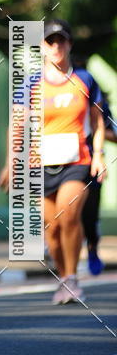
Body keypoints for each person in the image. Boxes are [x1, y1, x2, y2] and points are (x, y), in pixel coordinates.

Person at [0, 19, 106, 304]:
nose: (56, 46)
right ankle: (63, 276)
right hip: (39, 164)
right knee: (52, 228)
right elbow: (18, 124)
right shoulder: (31, 83)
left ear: (69, 44)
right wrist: (12, 162)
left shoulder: (85, 79)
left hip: (77, 161)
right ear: (42, 48)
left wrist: (98, 155)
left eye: (61, 40)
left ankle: (72, 279)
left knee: (68, 215)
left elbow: (97, 120)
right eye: (50, 41)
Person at [81, 89, 116, 275]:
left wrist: (96, 134)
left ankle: (92, 250)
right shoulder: (46, 94)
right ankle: (58, 254)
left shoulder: (97, 103)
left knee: (89, 217)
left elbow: (114, 133)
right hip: (56, 166)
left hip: (89, 168)